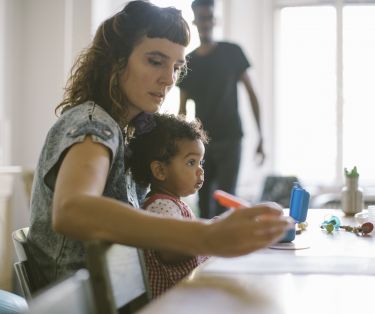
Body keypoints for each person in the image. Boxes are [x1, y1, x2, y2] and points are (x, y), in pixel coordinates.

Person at [27, 0, 291, 290]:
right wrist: (205, 235)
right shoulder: (95, 125)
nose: (168, 79)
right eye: (155, 61)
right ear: (116, 61)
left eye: (176, 67)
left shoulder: (124, 131)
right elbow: (72, 211)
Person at [177, 0, 265, 219]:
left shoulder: (232, 52)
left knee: (226, 201)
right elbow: (181, 110)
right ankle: (205, 253)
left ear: (214, 20)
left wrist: (261, 136)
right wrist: (179, 146)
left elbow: (252, 94)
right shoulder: (189, 62)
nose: (205, 23)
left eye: (209, 18)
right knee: (203, 201)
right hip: (202, 143)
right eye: (201, 18)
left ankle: (225, 251)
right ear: (195, 21)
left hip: (231, 138)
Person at [125, 113, 210, 298]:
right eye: (191, 162)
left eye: (200, 162)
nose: (200, 170)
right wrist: (210, 237)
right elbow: (171, 251)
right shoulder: (161, 206)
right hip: (171, 304)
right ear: (160, 170)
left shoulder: (174, 204)